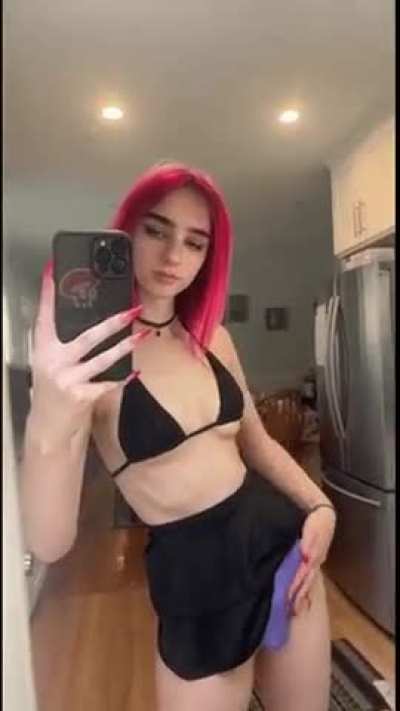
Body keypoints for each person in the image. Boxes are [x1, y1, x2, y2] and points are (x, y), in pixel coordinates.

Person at [21, 162, 336, 711]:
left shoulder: (215, 338)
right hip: (196, 583)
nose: (174, 256)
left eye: (195, 243)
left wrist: (320, 506)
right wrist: (48, 413)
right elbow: (49, 543)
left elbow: (258, 444)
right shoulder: (90, 364)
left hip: (280, 547)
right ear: (126, 231)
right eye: (156, 230)